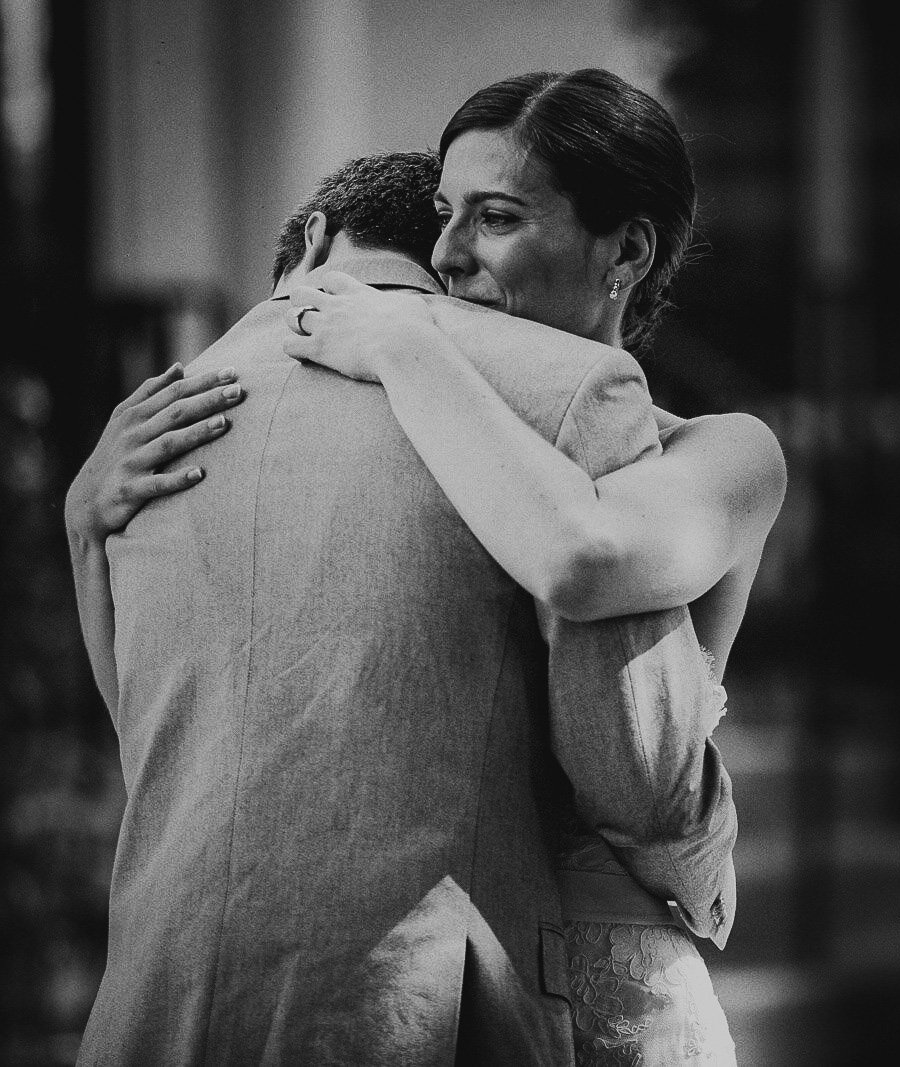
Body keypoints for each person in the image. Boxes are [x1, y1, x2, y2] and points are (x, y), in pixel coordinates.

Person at [65, 148, 737, 1065]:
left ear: (311, 241)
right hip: (414, 1011)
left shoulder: (143, 432)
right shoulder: (557, 388)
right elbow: (628, 762)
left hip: (157, 1003)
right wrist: (701, 869)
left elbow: (150, 737)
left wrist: (80, 530)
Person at [281, 70, 788, 1065]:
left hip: (611, 992)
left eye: (497, 217)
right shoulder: (405, 428)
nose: (447, 254)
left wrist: (404, 344)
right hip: (423, 981)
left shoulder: (724, 452)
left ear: (626, 251)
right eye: (443, 215)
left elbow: (587, 555)